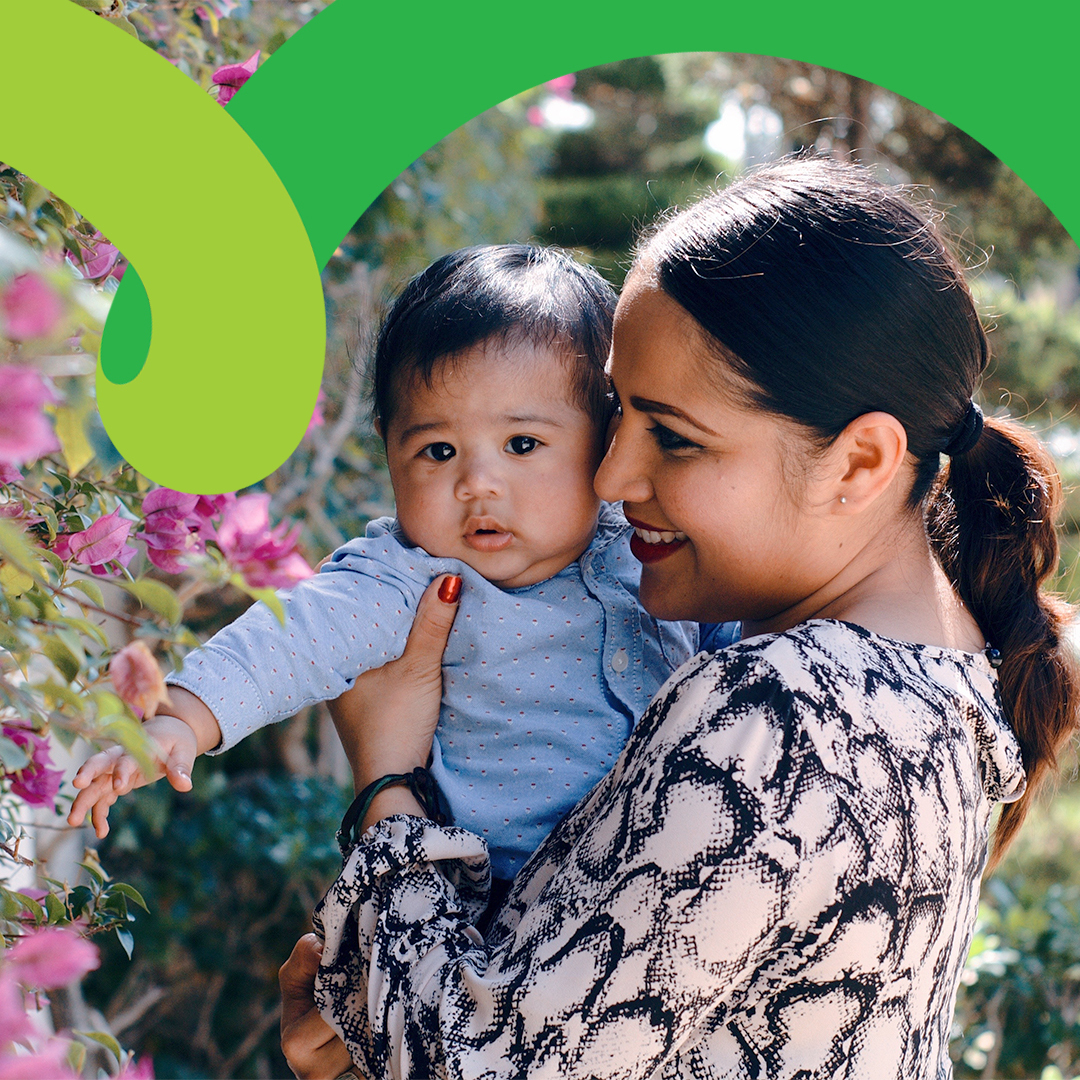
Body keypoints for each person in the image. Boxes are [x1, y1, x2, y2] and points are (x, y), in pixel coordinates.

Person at [284, 155, 1079, 1079]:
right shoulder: (941, 677)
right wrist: (372, 1012)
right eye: (617, 416)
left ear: (860, 463)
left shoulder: (782, 714)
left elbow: (481, 1066)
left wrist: (390, 787)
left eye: (674, 436)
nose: (612, 478)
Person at [67, 244, 723, 905]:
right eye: (438, 451)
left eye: (522, 445)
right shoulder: (406, 579)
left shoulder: (654, 547)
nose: (477, 484)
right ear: (389, 447)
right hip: (490, 901)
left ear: (606, 438)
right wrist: (181, 718)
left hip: (664, 887)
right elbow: (290, 638)